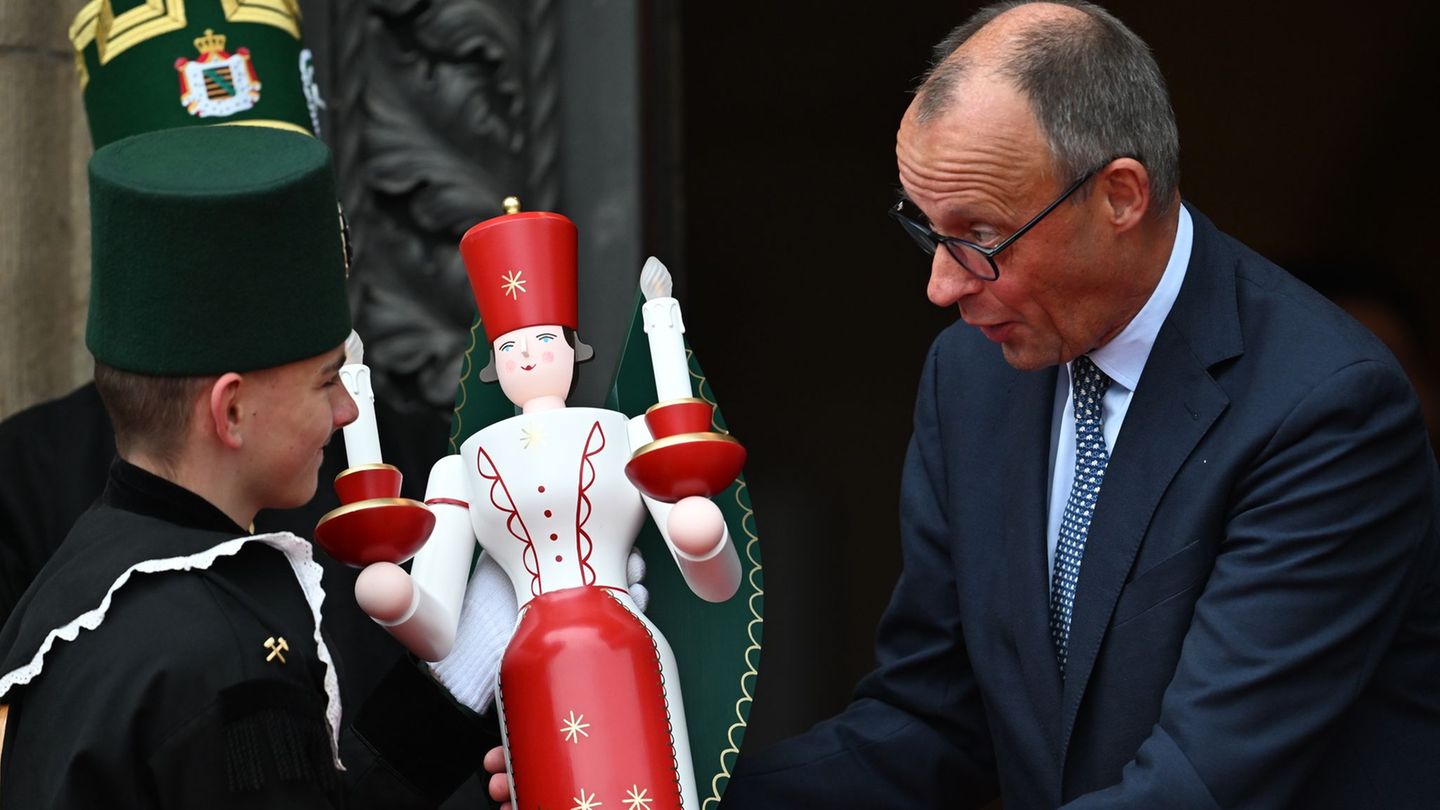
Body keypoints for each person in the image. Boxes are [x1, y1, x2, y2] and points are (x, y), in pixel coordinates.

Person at [710, 2, 1439, 808]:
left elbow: (1199, 785)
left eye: (980, 237)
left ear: (1121, 197)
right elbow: (936, 719)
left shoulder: (1325, 408)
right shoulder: (970, 376)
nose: (942, 286)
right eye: (927, 231)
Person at [0, 125, 494, 808]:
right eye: (327, 382)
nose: (348, 412)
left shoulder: (79, 580)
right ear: (230, 411)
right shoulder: (222, 652)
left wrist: (456, 683)